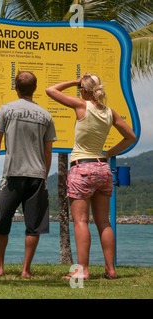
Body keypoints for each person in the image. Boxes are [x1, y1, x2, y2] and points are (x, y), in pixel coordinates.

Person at [46, 73, 137, 280]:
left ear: (84, 91)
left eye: (81, 88)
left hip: (82, 168)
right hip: (103, 168)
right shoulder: (109, 113)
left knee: (80, 221)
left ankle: (83, 270)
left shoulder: (81, 106)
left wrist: (73, 81)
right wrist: (108, 153)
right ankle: (111, 270)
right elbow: (130, 136)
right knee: (104, 222)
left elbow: (50, 91)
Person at [0, 71, 57, 278]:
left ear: (16, 87)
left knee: (2, 222)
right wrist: (43, 176)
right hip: (37, 176)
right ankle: (26, 270)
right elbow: (48, 150)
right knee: (33, 226)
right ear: (34, 89)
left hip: (13, 175)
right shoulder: (45, 115)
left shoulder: (6, 109)